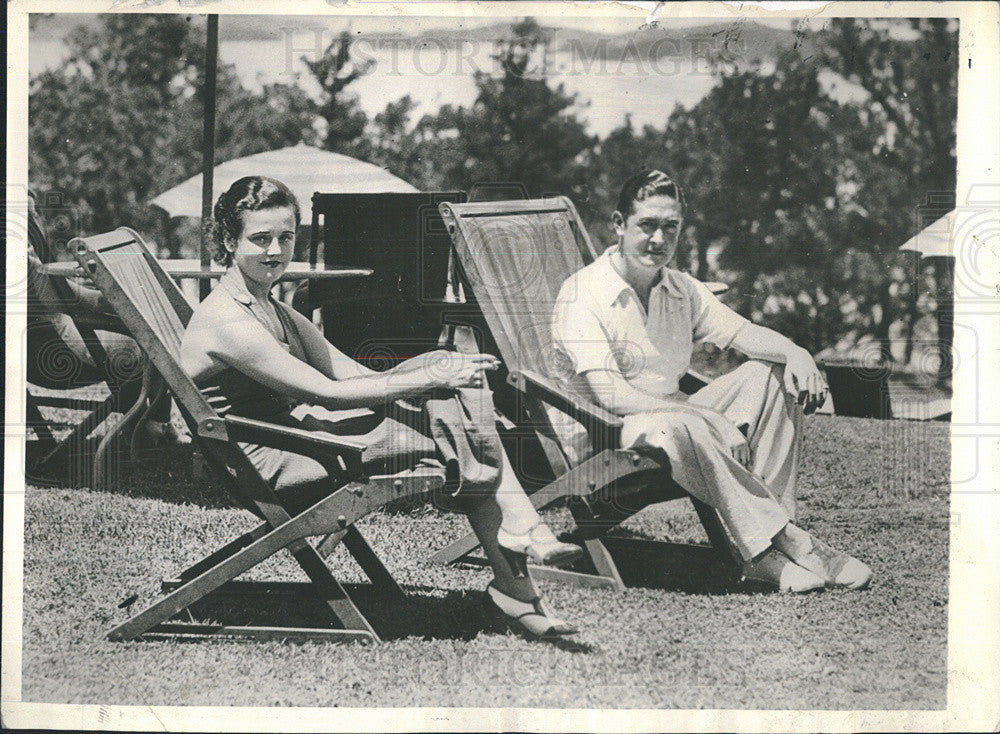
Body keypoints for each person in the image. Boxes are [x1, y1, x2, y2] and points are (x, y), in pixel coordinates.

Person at [179, 175, 583, 638]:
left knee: (449, 392)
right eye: (260, 239)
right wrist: (429, 380)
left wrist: (436, 368)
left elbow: (352, 374)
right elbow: (325, 393)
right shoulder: (228, 319)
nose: (276, 251)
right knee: (456, 423)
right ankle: (518, 572)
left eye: (286, 237)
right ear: (230, 241)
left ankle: (520, 540)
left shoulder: (266, 303)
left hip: (301, 437)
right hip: (276, 459)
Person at [552, 169, 872, 592]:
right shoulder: (584, 293)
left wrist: (797, 353)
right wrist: (706, 416)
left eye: (671, 227)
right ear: (618, 225)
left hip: (669, 422)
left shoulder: (679, 288)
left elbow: (743, 334)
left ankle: (776, 534)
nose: (659, 240)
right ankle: (779, 546)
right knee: (684, 422)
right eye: (647, 225)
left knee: (771, 375)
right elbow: (610, 395)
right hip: (603, 434)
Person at [25, 191, 189, 449]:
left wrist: (109, 300)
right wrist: (113, 302)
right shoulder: (19, 243)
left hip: (37, 345)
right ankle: (151, 426)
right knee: (152, 337)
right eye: (32, 213)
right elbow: (54, 300)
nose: (36, 217)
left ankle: (153, 425)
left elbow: (61, 294)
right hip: (48, 350)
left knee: (148, 325)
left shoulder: (24, 245)